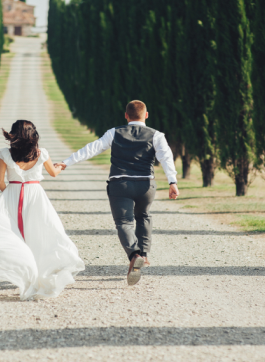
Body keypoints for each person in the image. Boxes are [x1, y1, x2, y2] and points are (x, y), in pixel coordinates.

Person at [0, 120, 85, 300]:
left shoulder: (3, 154)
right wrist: (60, 166)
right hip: (36, 195)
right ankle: (40, 274)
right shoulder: (41, 153)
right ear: (33, 135)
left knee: (8, 231)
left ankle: (24, 273)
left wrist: (9, 195)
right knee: (42, 233)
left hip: (12, 194)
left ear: (13, 135)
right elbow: (53, 173)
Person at [55, 100, 179, 285]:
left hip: (120, 185)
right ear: (146, 115)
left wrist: (67, 162)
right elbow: (166, 157)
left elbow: (92, 148)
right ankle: (143, 255)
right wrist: (172, 181)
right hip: (146, 184)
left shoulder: (114, 132)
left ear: (126, 116)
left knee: (124, 222)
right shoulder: (156, 135)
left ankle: (133, 254)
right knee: (143, 216)